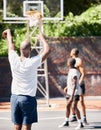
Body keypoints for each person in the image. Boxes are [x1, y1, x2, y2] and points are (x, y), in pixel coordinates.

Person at [2, 29, 50, 130]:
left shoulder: (13, 58)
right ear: (30, 49)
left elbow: (11, 45)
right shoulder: (32, 62)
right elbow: (47, 50)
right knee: (26, 126)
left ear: (19, 49)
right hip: (27, 98)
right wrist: (42, 38)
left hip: (15, 97)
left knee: (16, 125)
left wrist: (9, 32)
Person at [59, 58, 84, 130]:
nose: (67, 63)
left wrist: (72, 97)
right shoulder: (71, 70)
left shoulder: (75, 72)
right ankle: (66, 121)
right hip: (70, 91)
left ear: (69, 63)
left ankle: (80, 123)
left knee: (74, 107)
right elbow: (71, 82)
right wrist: (67, 87)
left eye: (67, 61)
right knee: (67, 106)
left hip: (75, 92)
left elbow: (75, 84)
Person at [70, 48, 88, 125]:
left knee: (81, 101)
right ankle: (73, 115)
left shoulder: (79, 61)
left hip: (79, 84)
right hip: (73, 84)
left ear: (72, 53)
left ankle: (84, 118)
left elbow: (83, 73)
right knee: (71, 99)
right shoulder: (71, 61)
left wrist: (79, 83)